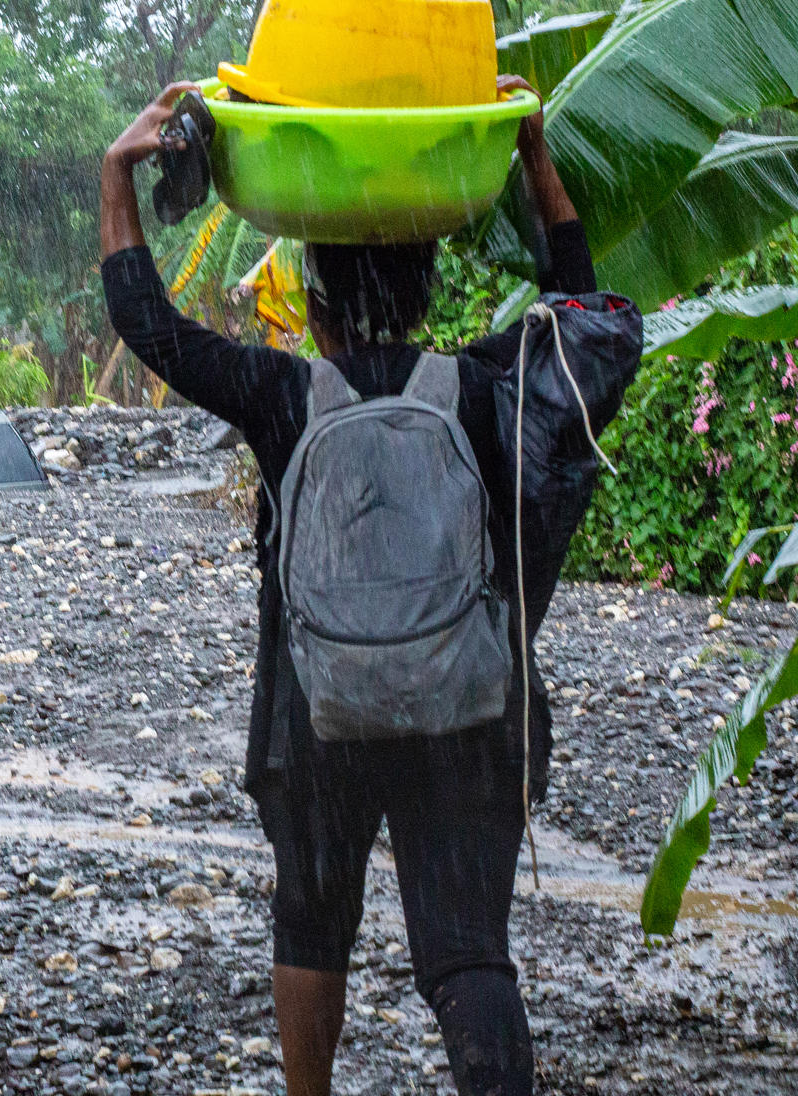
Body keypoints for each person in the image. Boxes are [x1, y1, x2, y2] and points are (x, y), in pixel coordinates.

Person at [98, 78, 637, 1096]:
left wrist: (117, 173)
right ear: (428, 289)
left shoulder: (284, 394)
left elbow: (148, 325)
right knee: (468, 947)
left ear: (313, 299)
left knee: (310, 916)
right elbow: (587, 321)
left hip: (315, 713)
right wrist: (535, 165)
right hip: (470, 709)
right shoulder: (483, 386)